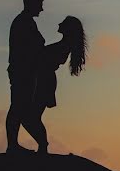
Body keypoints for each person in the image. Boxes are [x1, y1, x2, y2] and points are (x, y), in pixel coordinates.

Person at [30, 15, 88, 154]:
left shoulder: (63, 46)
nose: (59, 23)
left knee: (32, 116)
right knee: (32, 116)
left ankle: (43, 146)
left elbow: (44, 60)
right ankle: (42, 146)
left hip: (45, 81)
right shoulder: (64, 45)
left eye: (63, 22)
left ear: (68, 29)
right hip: (44, 79)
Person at [5, 0, 47, 154]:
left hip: (26, 72)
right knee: (18, 107)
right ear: (32, 4)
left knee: (20, 107)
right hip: (22, 72)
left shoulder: (26, 21)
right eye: (40, 5)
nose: (42, 9)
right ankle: (12, 145)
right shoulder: (23, 22)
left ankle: (13, 144)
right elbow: (32, 47)